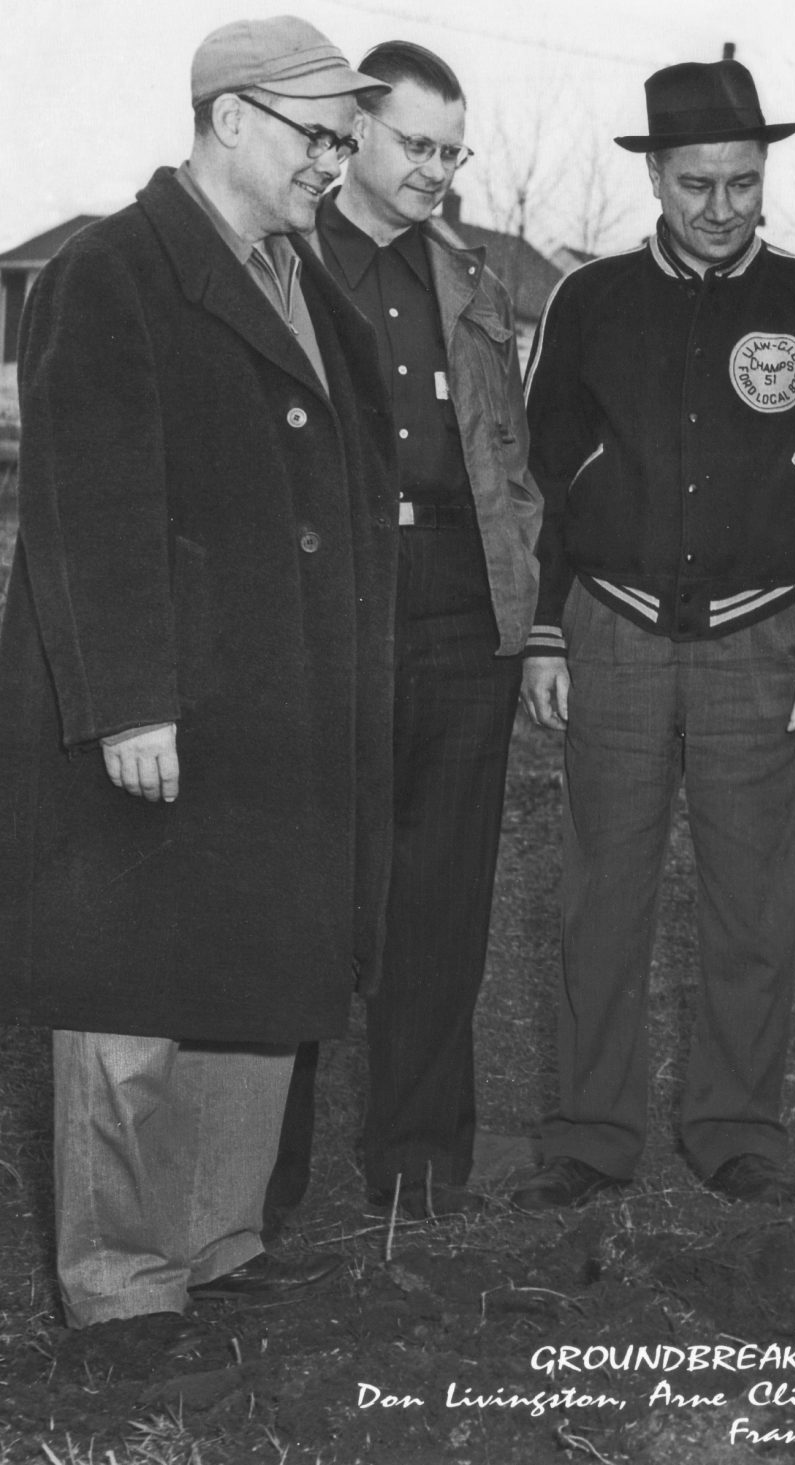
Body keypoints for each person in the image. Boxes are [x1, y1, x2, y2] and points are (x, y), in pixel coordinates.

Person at [0, 17, 396, 1333]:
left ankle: (220, 1248)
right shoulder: (109, 273)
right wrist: (129, 699)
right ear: (232, 119)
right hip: (155, 714)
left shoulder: (305, 280)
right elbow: (85, 508)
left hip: (277, 707)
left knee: (254, 965)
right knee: (129, 989)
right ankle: (120, 1290)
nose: (335, 164)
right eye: (319, 134)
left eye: (344, 139)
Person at [513, 59, 795, 1210]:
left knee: (752, 894)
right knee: (600, 890)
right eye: (696, 184)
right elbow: (539, 485)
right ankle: (589, 1129)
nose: (721, 207)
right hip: (609, 630)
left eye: (742, 181)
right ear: (654, 178)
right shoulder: (587, 302)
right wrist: (541, 630)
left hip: (761, 642)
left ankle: (736, 1123)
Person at [267, 39, 543, 1225]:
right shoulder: (278, 259)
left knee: (443, 890)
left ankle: (422, 1168)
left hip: (459, 594)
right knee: (304, 887)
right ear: (355, 134)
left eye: (451, 148)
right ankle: (257, 1184)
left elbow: (508, 450)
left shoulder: (476, 276)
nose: (437, 169)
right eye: (417, 145)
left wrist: (524, 609)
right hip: (330, 597)